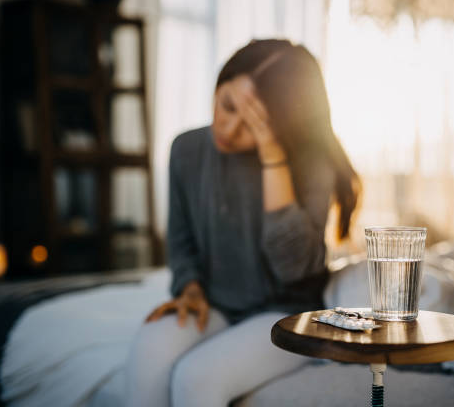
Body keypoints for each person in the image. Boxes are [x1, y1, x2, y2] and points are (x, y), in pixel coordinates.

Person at [125, 39, 360, 407]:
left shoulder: (312, 163)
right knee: (149, 349)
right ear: (220, 83)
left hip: (288, 315)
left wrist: (272, 158)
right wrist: (189, 287)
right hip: (217, 306)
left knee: (196, 378)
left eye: (253, 124)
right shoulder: (186, 149)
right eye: (227, 106)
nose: (229, 128)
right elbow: (181, 242)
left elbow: (294, 268)